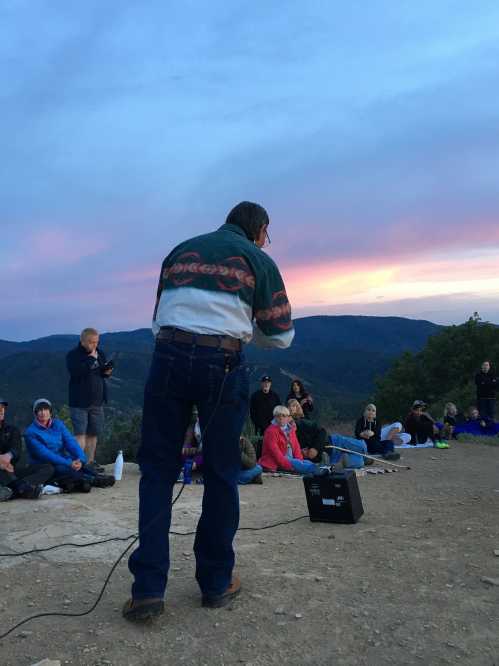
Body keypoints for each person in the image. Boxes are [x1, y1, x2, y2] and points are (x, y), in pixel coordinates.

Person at [124, 201, 294, 622]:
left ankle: (147, 590)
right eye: (267, 234)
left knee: (157, 471)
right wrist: (241, 325)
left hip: (167, 356)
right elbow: (281, 336)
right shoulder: (258, 259)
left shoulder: (179, 251)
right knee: (221, 472)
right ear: (260, 230)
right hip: (222, 364)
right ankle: (216, 583)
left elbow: (158, 317)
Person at [24, 399, 115, 492]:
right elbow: (45, 454)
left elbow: (71, 443)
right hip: (44, 465)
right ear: (35, 413)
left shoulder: (58, 424)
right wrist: (69, 463)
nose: (43, 413)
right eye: (40, 410)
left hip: (62, 459)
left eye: (46, 409)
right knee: (64, 469)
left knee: (82, 465)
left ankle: (96, 477)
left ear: (50, 412)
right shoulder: (31, 433)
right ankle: (93, 480)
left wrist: (81, 459)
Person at [66, 327, 114, 470]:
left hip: (97, 401)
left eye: (97, 342)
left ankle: (90, 462)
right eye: (92, 342)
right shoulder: (73, 355)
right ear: (83, 341)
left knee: (93, 434)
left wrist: (107, 372)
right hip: (79, 402)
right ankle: (79, 464)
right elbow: (76, 373)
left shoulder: (100, 353)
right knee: (80, 434)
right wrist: (91, 359)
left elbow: (100, 373)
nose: (95, 345)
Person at [0, 397, 53, 501]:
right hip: (3, 471)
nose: (1, 411)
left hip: (11, 470)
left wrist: (8, 456)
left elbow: (16, 450)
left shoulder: (12, 430)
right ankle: (22, 489)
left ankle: (16, 488)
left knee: (47, 468)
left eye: (2, 408)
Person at [259, 405, 317, 475]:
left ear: (288, 417)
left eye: (284, 416)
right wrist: (288, 466)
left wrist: (299, 460)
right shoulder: (270, 431)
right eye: (278, 416)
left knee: (307, 463)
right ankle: (321, 471)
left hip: (291, 460)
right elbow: (275, 453)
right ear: (274, 417)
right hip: (277, 462)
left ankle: (324, 469)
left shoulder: (290, 429)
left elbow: (296, 447)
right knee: (307, 467)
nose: (281, 418)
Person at [287, 398, 327, 463]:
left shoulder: (303, 421)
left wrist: (315, 448)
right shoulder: (287, 422)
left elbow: (321, 431)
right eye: (290, 406)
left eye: (295, 405)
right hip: (301, 453)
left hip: (316, 447)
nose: (292, 408)